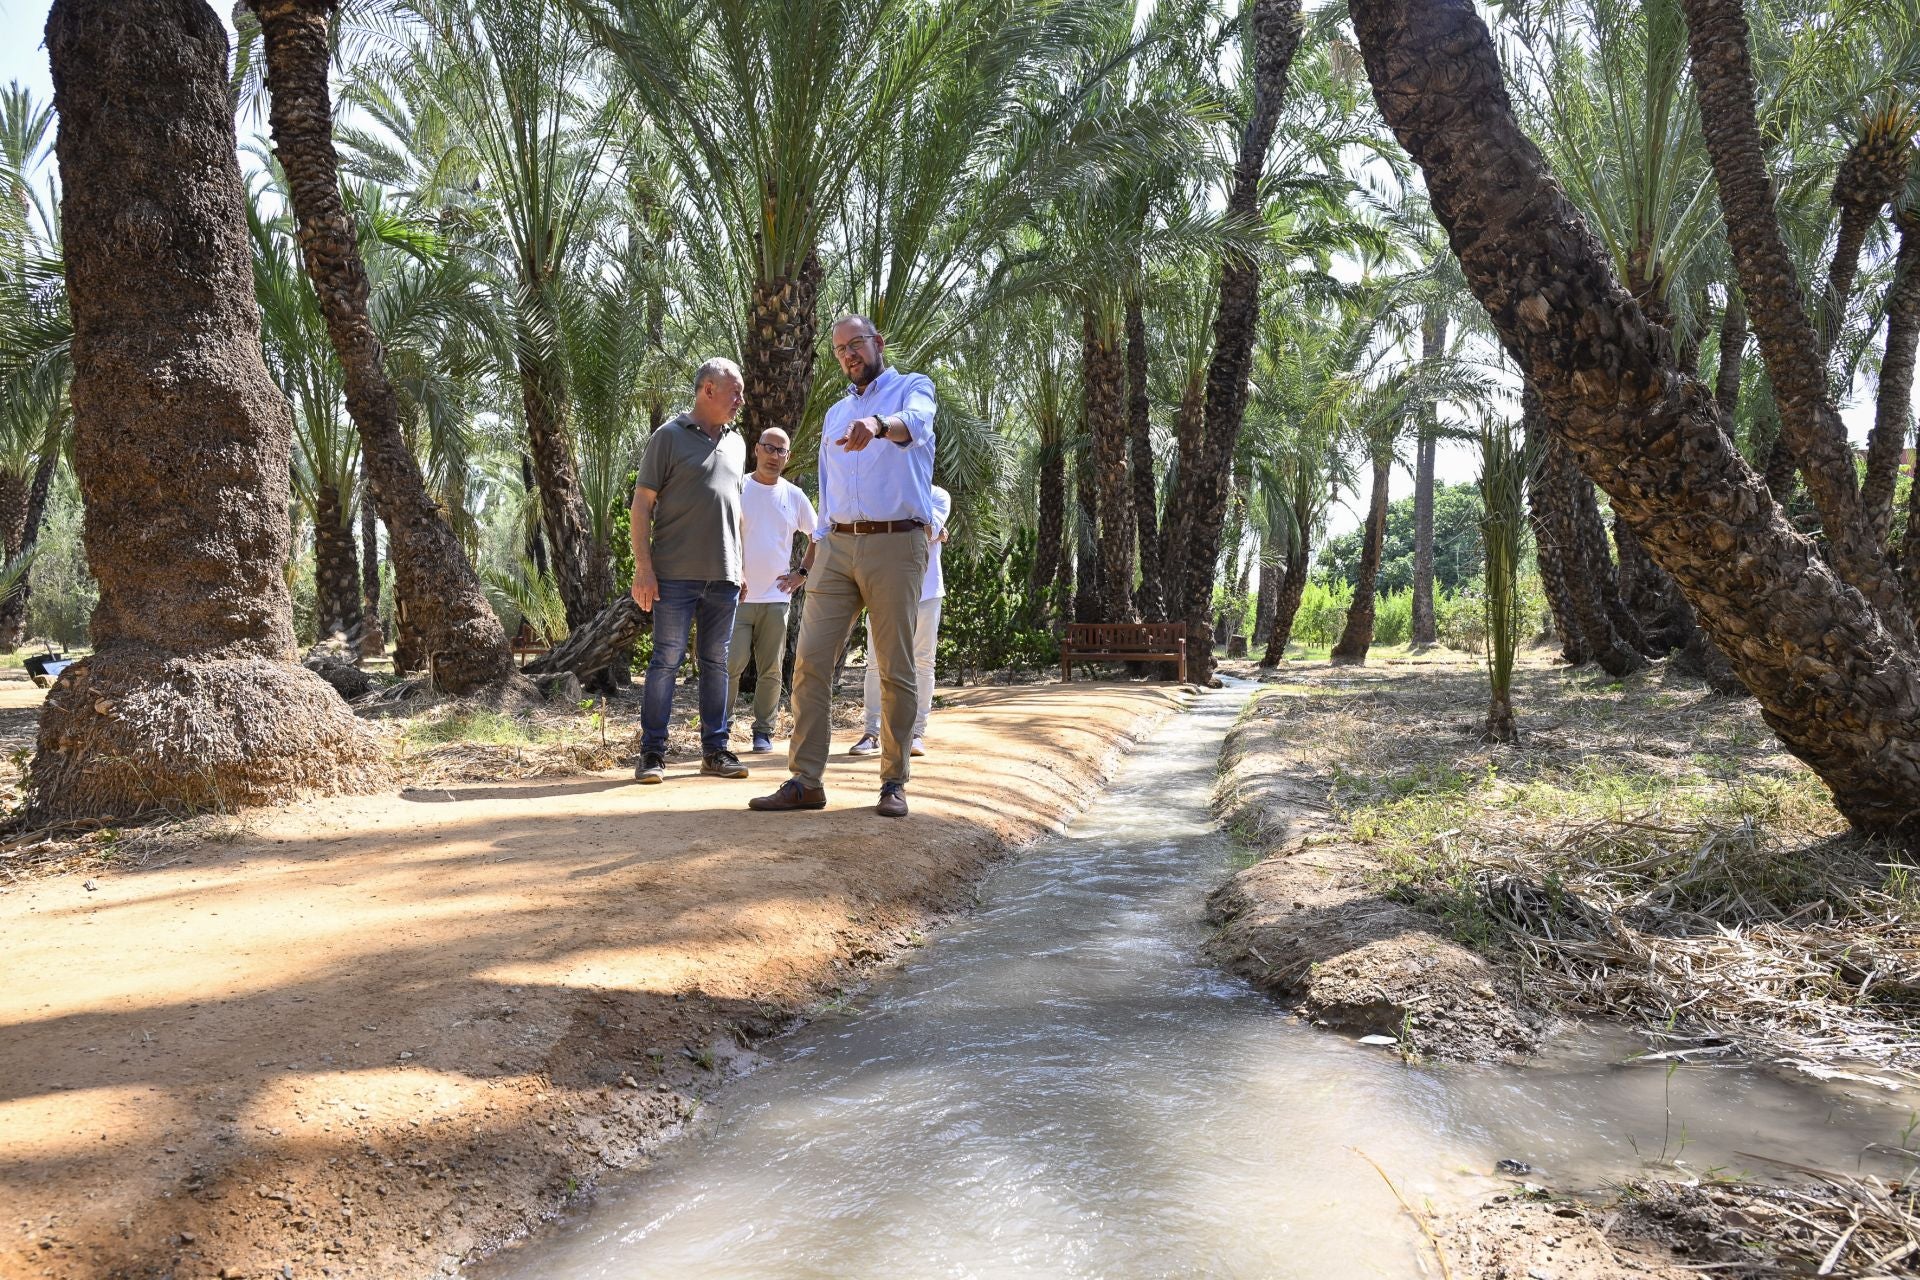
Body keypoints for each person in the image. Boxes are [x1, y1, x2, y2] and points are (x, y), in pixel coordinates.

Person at [750, 315, 936, 818]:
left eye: (855, 344)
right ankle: (805, 780)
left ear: (876, 343)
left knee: (895, 666)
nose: (848, 355)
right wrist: (821, 546)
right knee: (809, 661)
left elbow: (913, 425)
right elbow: (830, 492)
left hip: (895, 545)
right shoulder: (835, 413)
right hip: (837, 549)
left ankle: (893, 782)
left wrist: (877, 426)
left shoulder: (912, 387)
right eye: (839, 350)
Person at [630, 357, 749, 785]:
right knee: (666, 661)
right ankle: (652, 754)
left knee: (716, 662)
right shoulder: (669, 437)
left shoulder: (737, 443)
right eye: (734, 391)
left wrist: (741, 564)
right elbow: (641, 505)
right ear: (708, 390)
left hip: (724, 577)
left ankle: (715, 751)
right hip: (675, 574)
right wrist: (644, 569)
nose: (741, 399)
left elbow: (735, 511)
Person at [728, 426, 817, 754]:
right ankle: (718, 731)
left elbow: (817, 535)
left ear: (787, 457)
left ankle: (763, 732)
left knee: (771, 669)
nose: (774, 455)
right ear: (757, 449)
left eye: (781, 451)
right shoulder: (737, 487)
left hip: (777, 599)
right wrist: (733, 573)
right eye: (769, 448)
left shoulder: (794, 495)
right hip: (737, 597)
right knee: (730, 665)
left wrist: (802, 574)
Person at [849, 484, 949, 759]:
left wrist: (903, 526)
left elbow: (927, 529)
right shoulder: (884, 488)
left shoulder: (938, 495)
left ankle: (916, 734)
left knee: (923, 662)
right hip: (883, 588)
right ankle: (872, 733)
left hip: (927, 593)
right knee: (875, 663)